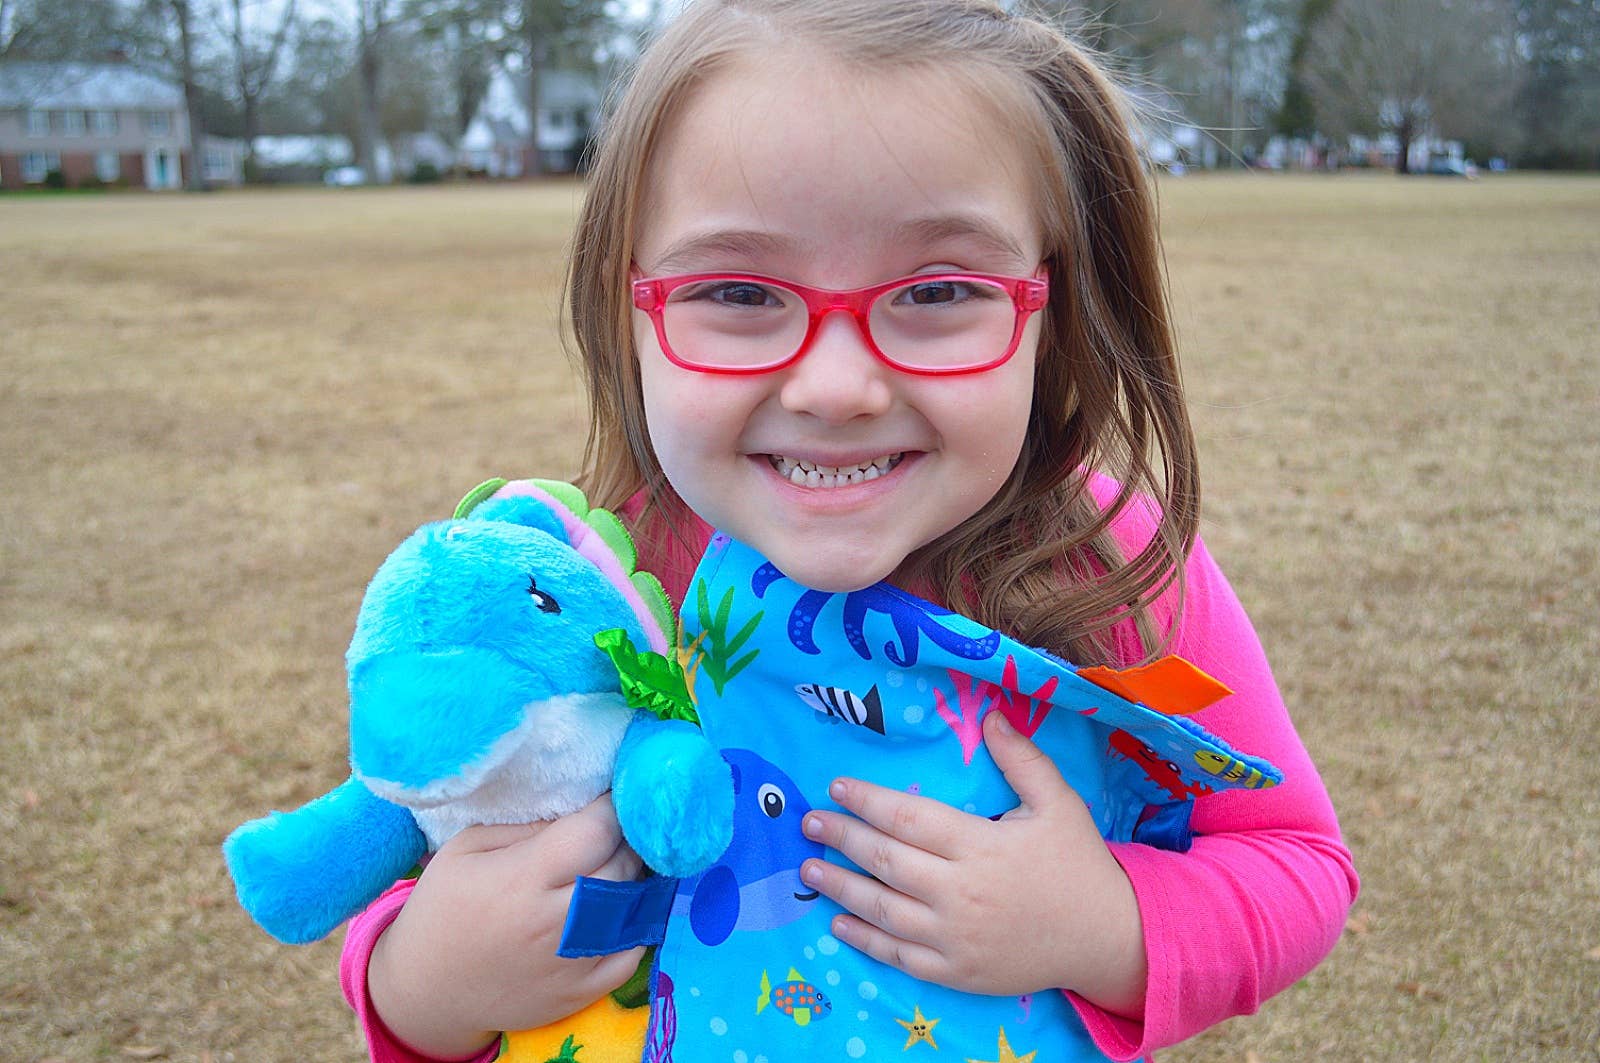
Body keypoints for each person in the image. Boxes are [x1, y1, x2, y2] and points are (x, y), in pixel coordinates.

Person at [340, 2, 1359, 1060]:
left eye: (939, 289)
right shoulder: (596, 587)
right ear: (628, 309)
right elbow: (438, 838)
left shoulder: (1105, 555)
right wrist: (431, 977)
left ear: (1052, 307)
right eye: (738, 291)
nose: (835, 387)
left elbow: (1294, 858)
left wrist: (1102, 923)